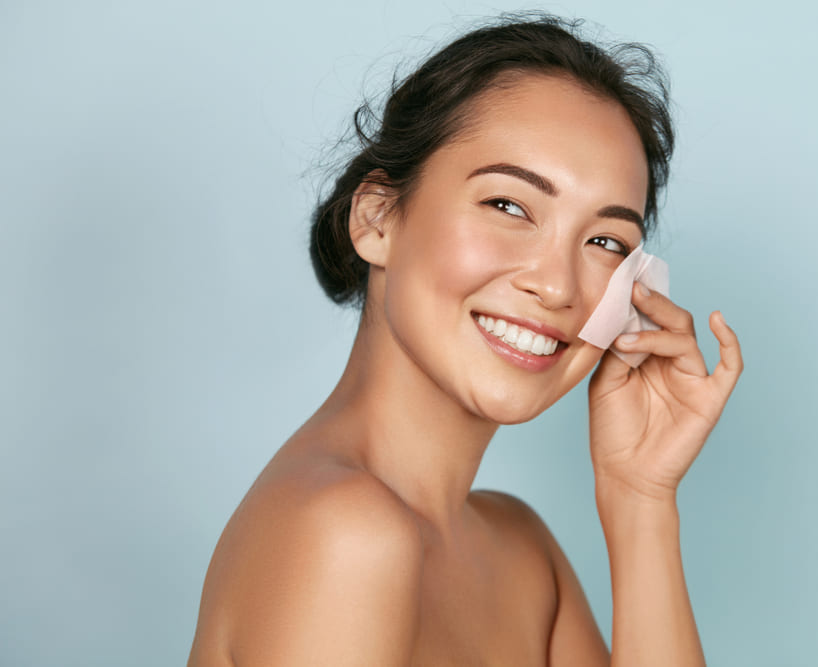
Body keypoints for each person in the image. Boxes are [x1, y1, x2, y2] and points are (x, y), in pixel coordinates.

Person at [188, 14, 743, 666]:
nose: (558, 285)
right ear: (377, 217)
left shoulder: (521, 553)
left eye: (604, 242)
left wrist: (640, 498)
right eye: (508, 206)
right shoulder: (344, 536)